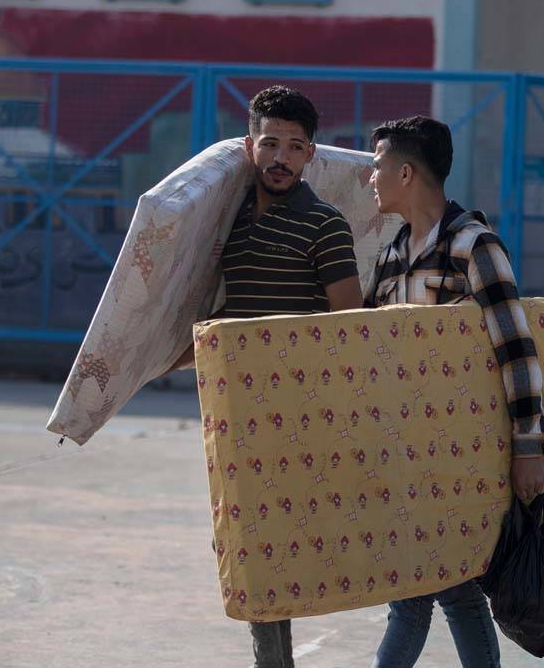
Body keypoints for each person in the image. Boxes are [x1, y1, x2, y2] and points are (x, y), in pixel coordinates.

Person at [173, 85, 363, 668]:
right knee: (242, 538)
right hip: (234, 406)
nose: (281, 157)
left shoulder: (325, 225)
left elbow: (348, 325)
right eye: (270, 143)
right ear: (251, 146)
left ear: (310, 155)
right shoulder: (225, 218)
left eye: (295, 147)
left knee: (267, 540)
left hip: (294, 407)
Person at [364, 116, 544, 668]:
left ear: (404, 172)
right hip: (406, 458)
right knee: (453, 590)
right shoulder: (392, 256)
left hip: (466, 456)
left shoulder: (474, 246)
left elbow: (515, 347)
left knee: (420, 594)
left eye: (376, 167)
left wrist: (528, 445)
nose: (370, 179)